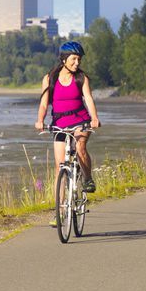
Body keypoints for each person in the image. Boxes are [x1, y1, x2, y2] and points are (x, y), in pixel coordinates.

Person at [35, 41, 101, 200]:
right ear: (64, 59)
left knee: (80, 148)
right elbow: (44, 103)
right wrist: (40, 120)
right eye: (74, 59)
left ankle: (87, 178)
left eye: (79, 59)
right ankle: (60, 210)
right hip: (59, 124)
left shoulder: (81, 78)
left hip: (81, 121)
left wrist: (94, 118)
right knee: (59, 166)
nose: (77, 63)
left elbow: (89, 99)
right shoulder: (49, 78)